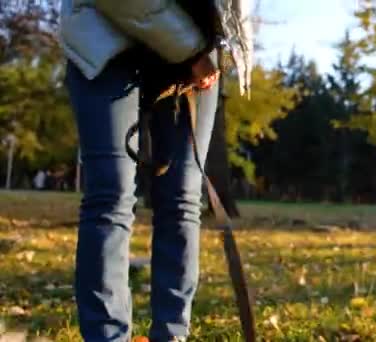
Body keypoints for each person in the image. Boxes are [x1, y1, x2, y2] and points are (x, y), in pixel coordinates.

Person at [58, 1, 252, 341]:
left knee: (183, 199)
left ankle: (172, 334)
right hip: (106, 33)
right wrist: (189, 48)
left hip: (198, 55)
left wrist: (222, 45)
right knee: (111, 197)